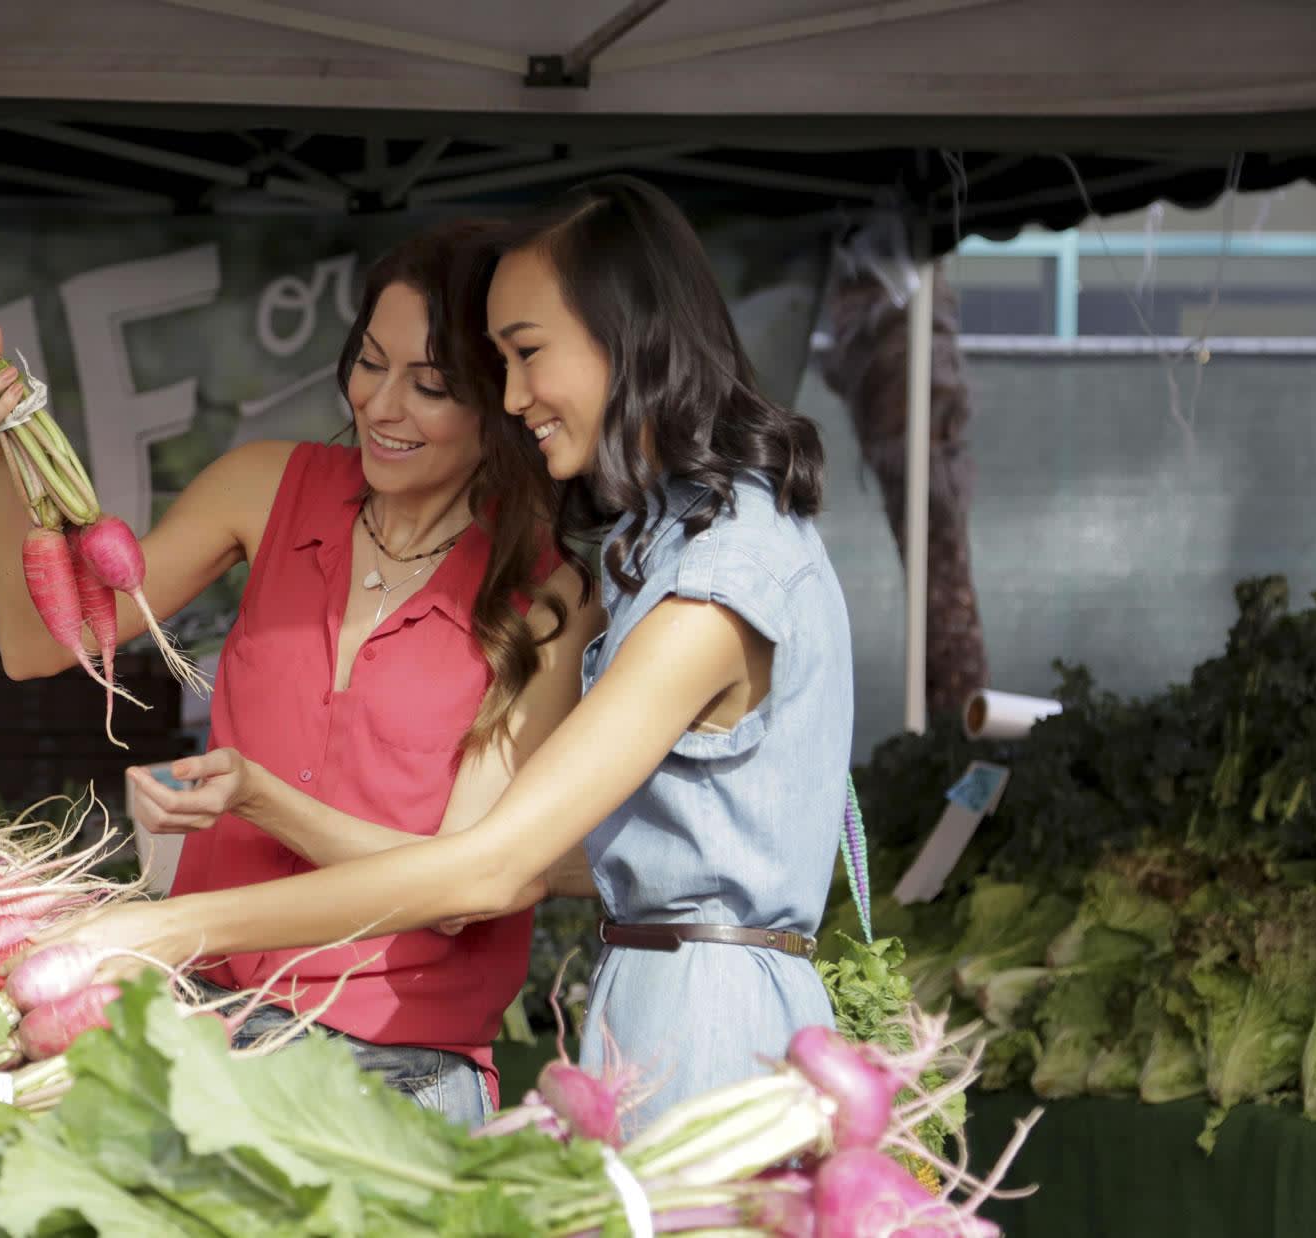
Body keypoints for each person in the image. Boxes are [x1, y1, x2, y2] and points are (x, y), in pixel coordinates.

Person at [51, 175, 854, 1134]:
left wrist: (169, 924)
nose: (514, 398)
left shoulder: (717, 580)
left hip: (707, 1020)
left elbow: (488, 874)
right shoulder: (679, 543)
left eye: (522, 357)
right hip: (658, 1000)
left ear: (622, 337)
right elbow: (564, 860)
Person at [0, 220, 599, 1125]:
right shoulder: (266, 486)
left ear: (501, 401)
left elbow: (458, 890)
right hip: (199, 1017)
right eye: (370, 363)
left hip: (395, 1068)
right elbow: (43, 643)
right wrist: (0, 444)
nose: (382, 407)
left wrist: (257, 796)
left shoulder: (547, 589)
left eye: (431, 386)